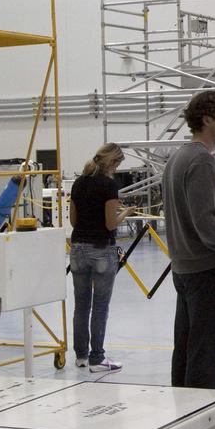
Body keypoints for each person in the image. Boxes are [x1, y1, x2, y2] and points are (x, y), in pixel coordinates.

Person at [162, 90, 215, 389]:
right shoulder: (202, 161)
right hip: (203, 270)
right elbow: (206, 218)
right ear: (207, 119)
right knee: (204, 352)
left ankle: (184, 414)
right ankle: (205, 424)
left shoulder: (178, 157)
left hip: (183, 268)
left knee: (185, 347)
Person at [69, 142, 134, 372]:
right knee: (100, 306)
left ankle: (81, 356)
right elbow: (110, 223)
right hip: (101, 250)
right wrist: (125, 213)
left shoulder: (78, 183)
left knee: (81, 305)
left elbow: (73, 221)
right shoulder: (109, 186)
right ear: (113, 163)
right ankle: (97, 358)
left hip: (77, 248)